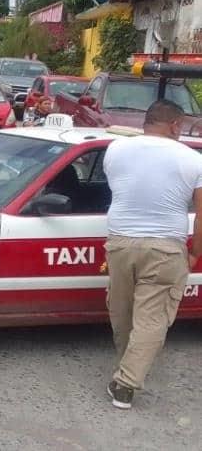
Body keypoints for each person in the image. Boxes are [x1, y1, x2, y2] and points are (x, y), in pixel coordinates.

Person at [103, 99, 202, 410]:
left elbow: (122, 190)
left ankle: (127, 366)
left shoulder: (115, 150)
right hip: (165, 247)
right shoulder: (192, 159)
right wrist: (195, 253)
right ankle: (126, 384)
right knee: (152, 318)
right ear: (174, 125)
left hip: (119, 243)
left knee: (122, 311)